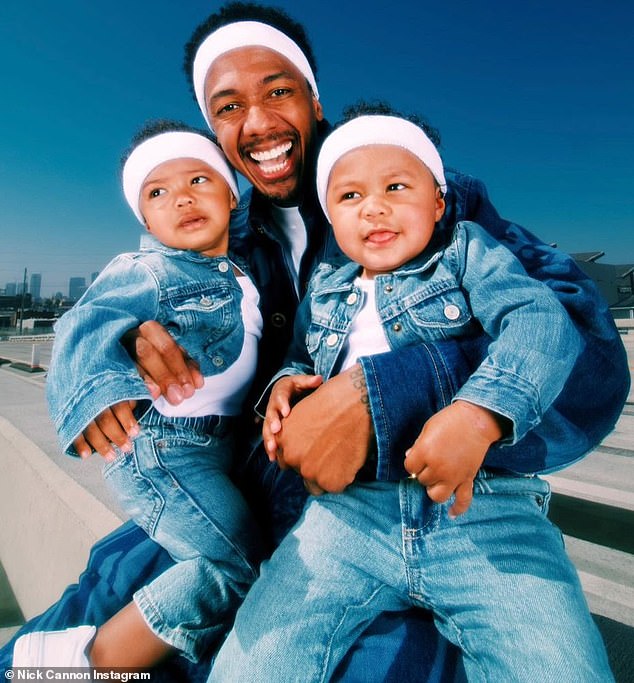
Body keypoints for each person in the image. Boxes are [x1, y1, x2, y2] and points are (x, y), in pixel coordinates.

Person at [2, 3, 628, 680]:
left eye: (278, 91)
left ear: (312, 98)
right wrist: (127, 347)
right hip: (234, 520)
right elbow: (109, 312)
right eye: (229, 106)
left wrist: (385, 395)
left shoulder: (425, 198)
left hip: (418, 524)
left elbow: (587, 363)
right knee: (44, 648)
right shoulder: (218, 245)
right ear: (214, 131)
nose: (261, 122)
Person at [208, 107, 614, 681]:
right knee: (259, 655)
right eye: (348, 197)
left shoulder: (467, 253)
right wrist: (282, 387)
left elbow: (539, 321)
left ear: (440, 203)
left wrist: (479, 415)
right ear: (331, 218)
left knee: (555, 663)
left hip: (485, 508)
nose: (373, 206)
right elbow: (302, 357)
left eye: (396, 186)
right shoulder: (327, 288)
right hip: (347, 516)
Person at [12, 121, 264, 669]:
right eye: (158, 192)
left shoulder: (243, 274)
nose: (182, 197)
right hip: (163, 453)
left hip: (218, 450)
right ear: (145, 219)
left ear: (231, 193)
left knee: (240, 552)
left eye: (200, 179)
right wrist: (98, 389)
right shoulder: (148, 269)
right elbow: (88, 322)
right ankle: (78, 664)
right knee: (236, 563)